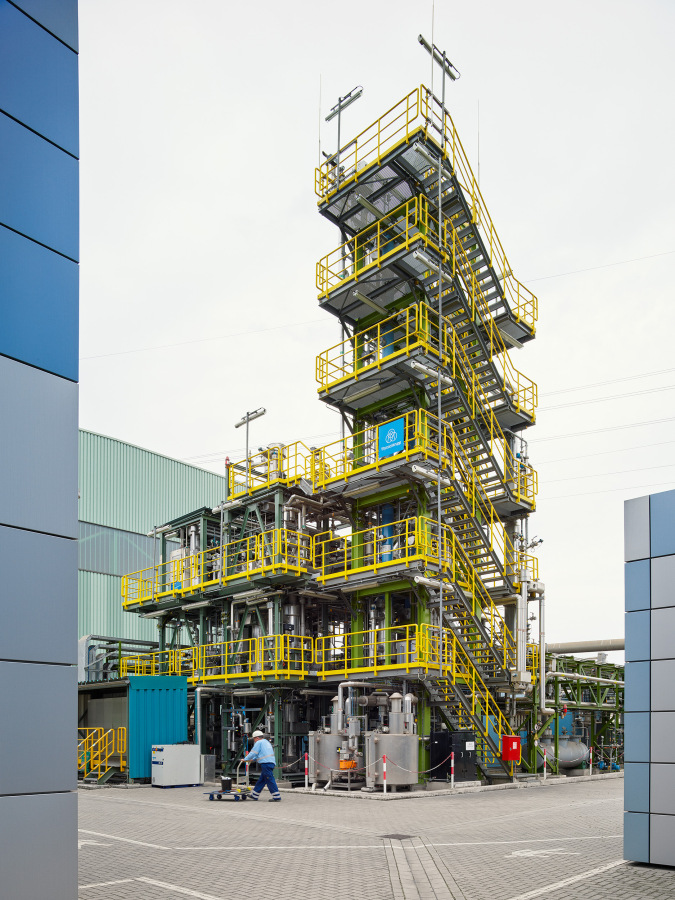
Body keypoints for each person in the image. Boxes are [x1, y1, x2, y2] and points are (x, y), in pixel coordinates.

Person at [243, 731, 281, 802]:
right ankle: (255, 795)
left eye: (254, 739)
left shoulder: (259, 742)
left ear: (257, 738)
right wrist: (253, 759)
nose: (254, 741)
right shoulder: (266, 742)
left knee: (269, 779)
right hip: (270, 763)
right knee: (262, 780)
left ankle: (276, 796)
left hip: (266, 763)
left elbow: (253, 752)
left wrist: (245, 759)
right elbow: (261, 753)